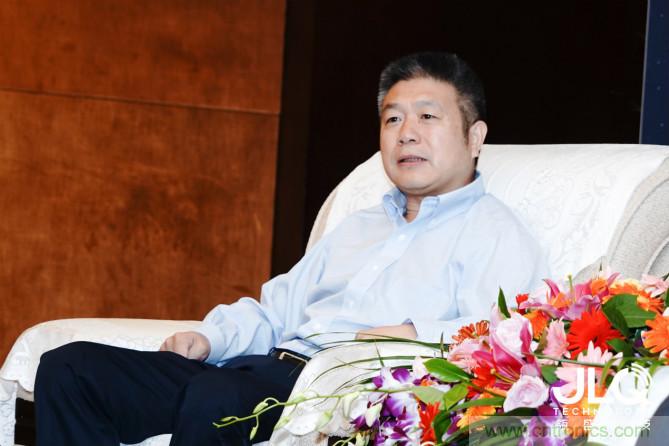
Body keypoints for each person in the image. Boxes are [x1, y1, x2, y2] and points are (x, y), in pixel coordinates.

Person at [34, 51, 549, 446]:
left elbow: (506, 341)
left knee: (217, 399)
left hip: (331, 396)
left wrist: (415, 334)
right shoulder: (358, 225)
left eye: (427, 117)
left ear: (474, 137)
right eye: (393, 119)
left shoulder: (495, 231)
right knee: (71, 369)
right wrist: (209, 338)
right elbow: (275, 311)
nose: (406, 134)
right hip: (256, 373)